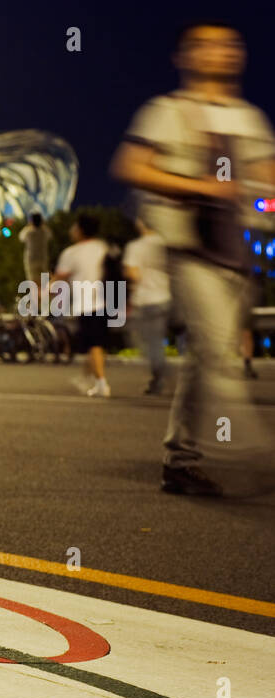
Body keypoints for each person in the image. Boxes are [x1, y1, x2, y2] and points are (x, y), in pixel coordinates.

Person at [111, 18, 275, 495]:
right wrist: (197, 186)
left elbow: (266, 181)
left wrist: (261, 198)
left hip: (235, 254)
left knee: (207, 355)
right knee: (220, 354)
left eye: (230, 45)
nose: (221, 52)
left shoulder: (249, 119)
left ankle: (178, 459)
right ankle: (254, 453)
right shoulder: (166, 112)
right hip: (189, 249)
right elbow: (132, 166)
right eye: (208, 45)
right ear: (185, 57)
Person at [52, 215, 111, 396]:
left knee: (94, 344)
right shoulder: (103, 247)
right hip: (107, 299)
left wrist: (42, 292)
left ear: (80, 230)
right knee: (97, 343)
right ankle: (87, 377)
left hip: (86, 303)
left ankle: (101, 383)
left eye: (74, 227)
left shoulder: (72, 253)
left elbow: (59, 277)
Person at [123, 217, 172, 395]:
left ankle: (159, 374)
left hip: (145, 299)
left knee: (143, 341)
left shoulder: (136, 247)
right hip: (165, 297)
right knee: (156, 340)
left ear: (141, 223)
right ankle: (158, 375)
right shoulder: (165, 244)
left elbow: (133, 275)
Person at [19, 212, 52, 313]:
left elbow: (21, 237)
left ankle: (35, 306)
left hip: (31, 261)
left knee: (34, 284)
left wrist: (29, 226)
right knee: (43, 284)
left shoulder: (28, 232)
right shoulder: (45, 231)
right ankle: (45, 305)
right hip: (43, 261)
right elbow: (50, 236)